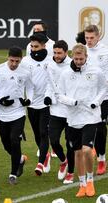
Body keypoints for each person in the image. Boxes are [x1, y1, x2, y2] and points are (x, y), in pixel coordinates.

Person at [57, 43, 106, 197]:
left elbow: (104, 89)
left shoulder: (96, 71)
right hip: (73, 118)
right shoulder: (65, 74)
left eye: (81, 58)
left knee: (86, 150)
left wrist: (96, 102)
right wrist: (72, 102)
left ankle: (90, 181)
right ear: (72, 57)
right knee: (77, 152)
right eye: (76, 58)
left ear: (86, 57)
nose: (79, 61)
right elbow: (59, 94)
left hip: (91, 116)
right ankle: (82, 184)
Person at [0, 46, 33, 185]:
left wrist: (29, 100)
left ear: (21, 59)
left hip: (18, 112)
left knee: (15, 140)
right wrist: (0, 100)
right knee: (5, 143)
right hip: (1, 113)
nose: (14, 64)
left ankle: (13, 174)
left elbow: (30, 88)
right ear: (7, 58)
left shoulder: (25, 72)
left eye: (17, 61)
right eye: (12, 61)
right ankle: (20, 159)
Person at [44, 40, 75, 184]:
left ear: (66, 53)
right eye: (55, 53)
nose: (56, 56)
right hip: (56, 110)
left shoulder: (73, 65)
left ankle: (70, 172)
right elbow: (50, 85)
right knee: (54, 141)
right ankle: (63, 161)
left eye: (59, 53)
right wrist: (48, 97)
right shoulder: (50, 65)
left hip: (70, 111)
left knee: (70, 143)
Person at [21, 32, 51, 176]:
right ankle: (46, 155)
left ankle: (40, 163)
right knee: (37, 134)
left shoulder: (51, 60)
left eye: (36, 46)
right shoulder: (25, 61)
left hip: (46, 103)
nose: (34, 49)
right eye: (32, 46)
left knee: (44, 132)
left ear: (44, 46)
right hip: (32, 104)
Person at [84, 25, 108, 175]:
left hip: (104, 96)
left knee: (100, 127)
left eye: (92, 38)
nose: (89, 40)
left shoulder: (105, 51)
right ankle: (93, 149)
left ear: (98, 37)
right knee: (88, 126)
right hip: (87, 97)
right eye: (87, 38)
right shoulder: (82, 51)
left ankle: (101, 159)